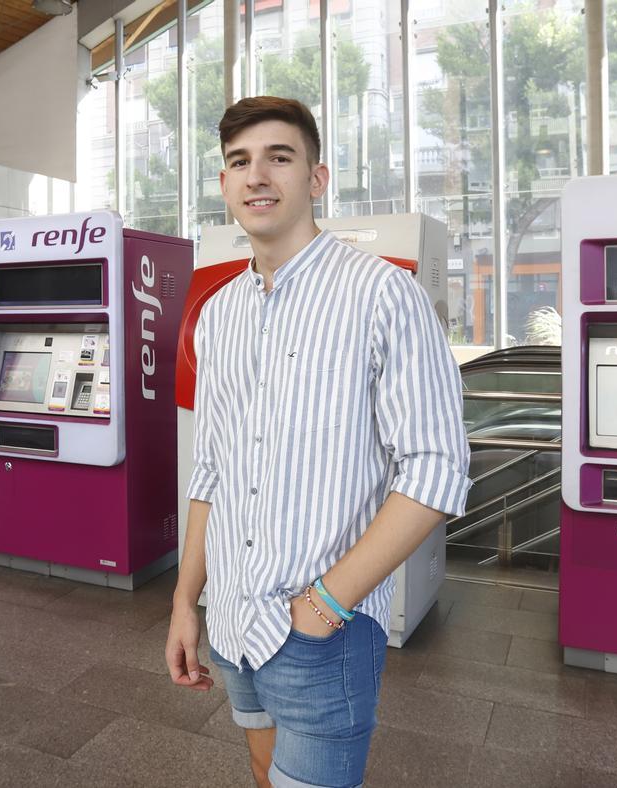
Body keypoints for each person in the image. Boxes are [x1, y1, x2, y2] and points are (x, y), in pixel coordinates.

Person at [164, 95, 472, 788]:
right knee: (262, 768)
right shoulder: (218, 316)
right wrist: (188, 602)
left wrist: (323, 606)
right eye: (239, 162)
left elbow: (437, 470)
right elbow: (211, 471)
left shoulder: (382, 295)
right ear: (224, 185)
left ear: (317, 178)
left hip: (321, 631)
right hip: (233, 621)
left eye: (280, 156)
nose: (257, 176)